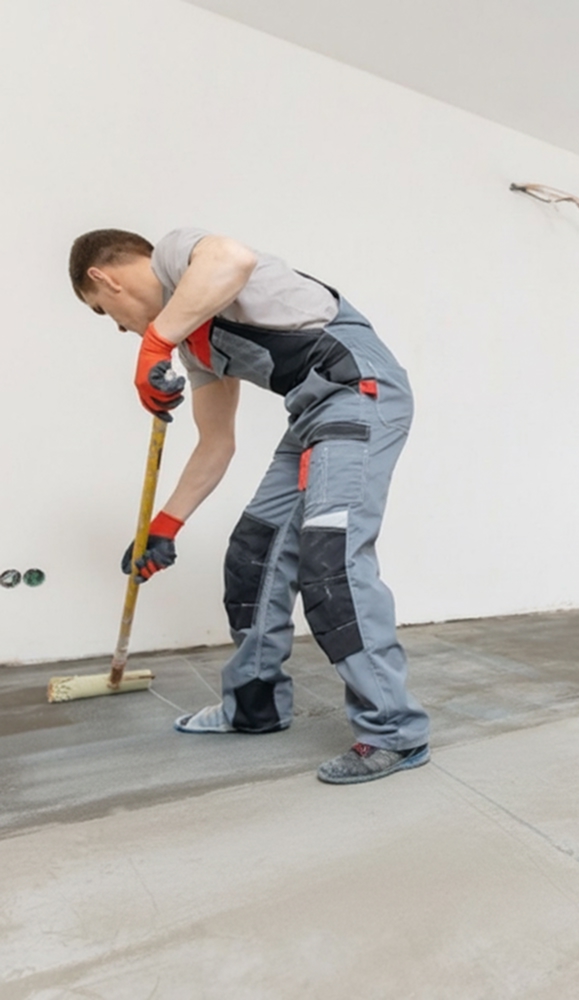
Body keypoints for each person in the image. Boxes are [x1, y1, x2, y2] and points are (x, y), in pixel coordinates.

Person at [68, 228, 430, 784]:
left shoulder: (177, 258)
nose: (119, 326)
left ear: (105, 278)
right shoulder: (196, 344)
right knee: (254, 554)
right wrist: (164, 528)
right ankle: (253, 707)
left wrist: (154, 342)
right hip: (312, 418)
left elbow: (233, 258)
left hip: (359, 394)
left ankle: (394, 733)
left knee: (330, 559)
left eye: (104, 312)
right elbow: (216, 444)